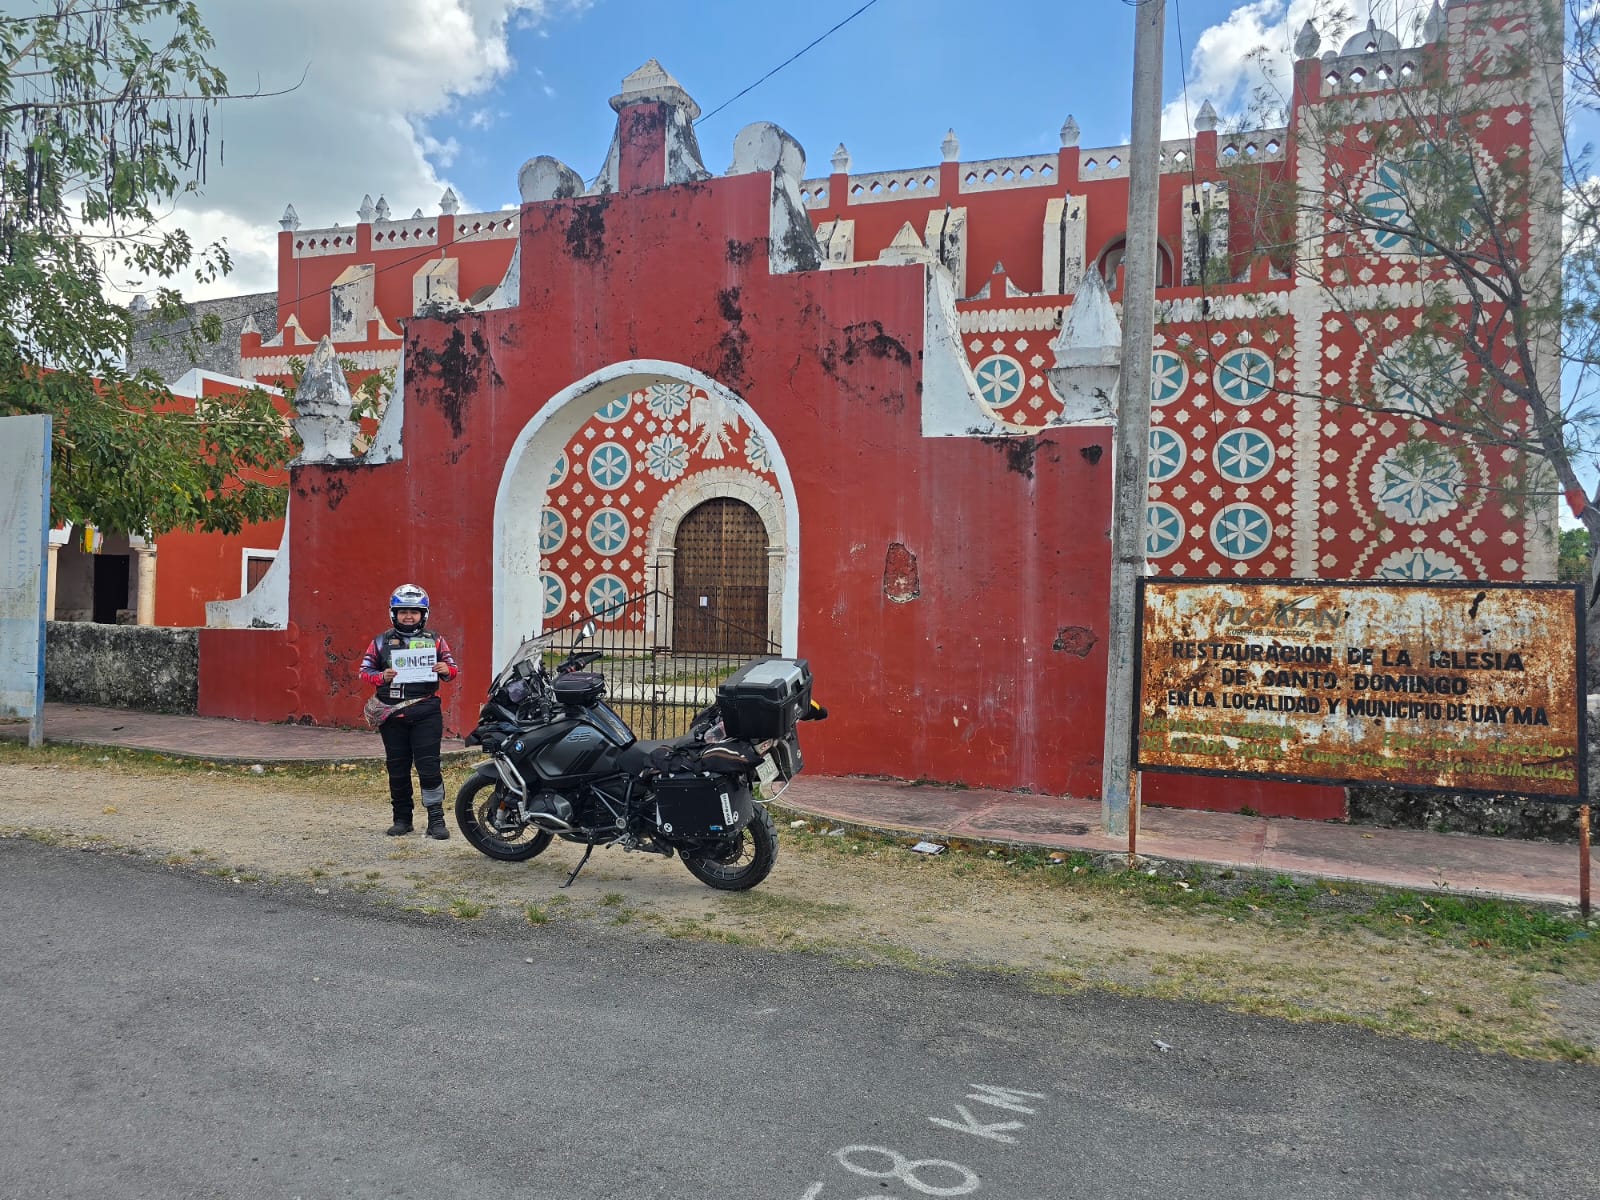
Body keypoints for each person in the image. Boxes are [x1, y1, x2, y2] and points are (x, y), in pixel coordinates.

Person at [358, 584, 460, 839]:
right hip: (392, 715)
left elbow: (453, 667)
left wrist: (446, 670)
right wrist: (382, 676)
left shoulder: (435, 640)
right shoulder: (380, 642)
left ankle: (436, 819)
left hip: (426, 711)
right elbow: (364, 672)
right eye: (402, 611)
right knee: (397, 768)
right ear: (393, 613)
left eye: (414, 612)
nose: (408, 616)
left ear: (424, 614)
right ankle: (402, 818)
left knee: (429, 767)